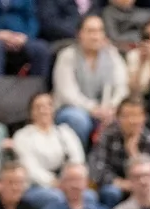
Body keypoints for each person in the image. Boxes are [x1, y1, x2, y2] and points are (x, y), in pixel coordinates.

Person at [53, 15, 128, 145]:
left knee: (125, 119)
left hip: (107, 109)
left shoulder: (112, 54)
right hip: (73, 109)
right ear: (80, 34)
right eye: (91, 31)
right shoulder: (67, 55)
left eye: (100, 31)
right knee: (78, 119)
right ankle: (78, 162)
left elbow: (122, 86)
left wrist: (112, 106)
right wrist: (93, 108)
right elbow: (67, 93)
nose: (96, 36)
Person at [92, 98, 150, 207]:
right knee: (110, 193)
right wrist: (120, 182)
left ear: (144, 118)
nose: (132, 120)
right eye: (127, 116)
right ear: (118, 118)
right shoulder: (107, 136)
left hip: (143, 184)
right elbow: (98, 168)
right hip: (116, 184)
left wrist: (133, 152)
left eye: (137, 116)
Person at [13, 92, 85, 200]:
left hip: (68, 184)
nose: (44, 110)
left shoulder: (65, 132)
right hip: (36, 186)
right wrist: (54, 183)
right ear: (31, 112)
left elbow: (77, 160)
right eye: (39, 107)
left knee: (89, 197)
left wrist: (69, 182)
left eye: (48, 105)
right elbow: (30, 168)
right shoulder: (22, 136)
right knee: (56, 198)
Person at [0, 0, 55, 77]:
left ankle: (39, 90)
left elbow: (32, 18)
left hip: (21, 36)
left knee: (41, 48)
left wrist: (26, 36)